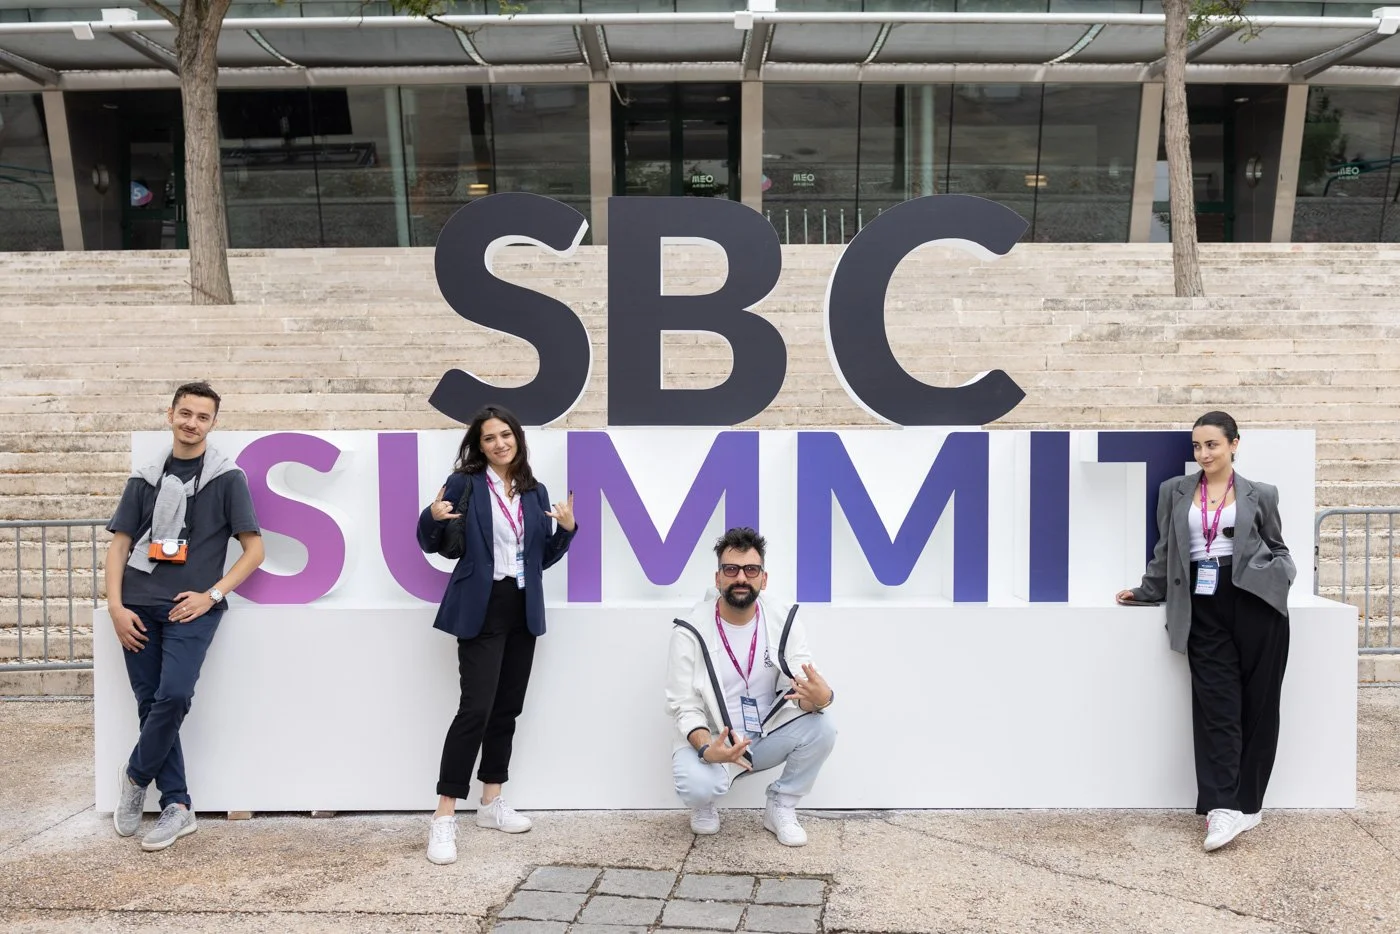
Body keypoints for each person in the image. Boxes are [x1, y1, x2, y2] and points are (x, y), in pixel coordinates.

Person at [1117, 411, 1295, 852]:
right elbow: (1165, 550)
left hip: (1256, 601)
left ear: (1234, 443)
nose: (1203, 454)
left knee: (1259, 704)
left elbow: (1278, 547)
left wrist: (1278, 577)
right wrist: (1147, 590)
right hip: (1201, 602)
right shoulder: (1173, 493)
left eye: (1212, 444)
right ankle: (1219, 808)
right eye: (1197, 446)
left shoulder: (1261, 494)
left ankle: (1249, 804)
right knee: (1217, 705)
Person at [104, 382, 264, 852]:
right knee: (149, 700)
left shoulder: (227, 479)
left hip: (191, 608)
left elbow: (254, 550)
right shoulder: (146, 477)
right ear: (171, 414)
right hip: (136, 606)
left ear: (214, 424)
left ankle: (136, 775)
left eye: (203, 417)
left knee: (173, 694)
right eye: (186, 413)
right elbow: (119, 546)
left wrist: (212, 595)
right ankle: (177, 804)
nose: (192, 423)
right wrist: (115, 607)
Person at [416, 404, 576, 865]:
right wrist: (432, 515)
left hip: (522, 606)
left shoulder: (533, 489)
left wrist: (565, 531)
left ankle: (491, 800)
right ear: (479, 444)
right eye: (489, 438)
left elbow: (539, 557)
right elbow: (431, 542)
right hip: (480, 607)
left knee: (507, 708)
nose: (499, 444)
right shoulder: (465, 483)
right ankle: (444, 816)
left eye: (505, 435)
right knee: (476, 709)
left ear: (518, 438)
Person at [665, 527, 837, 847]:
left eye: (750, 570)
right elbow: (683, 705)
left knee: (822, 728)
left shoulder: (782, 620)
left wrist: (821, 698)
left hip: (763, 734)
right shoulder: (690, 630)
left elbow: (799, 686)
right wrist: (707, 748)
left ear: (763, 578)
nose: (741, 578)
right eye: (731, 569)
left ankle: (781, 805)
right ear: (718, 579)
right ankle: (704, 803)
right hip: (716, 737)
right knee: (695, 787)